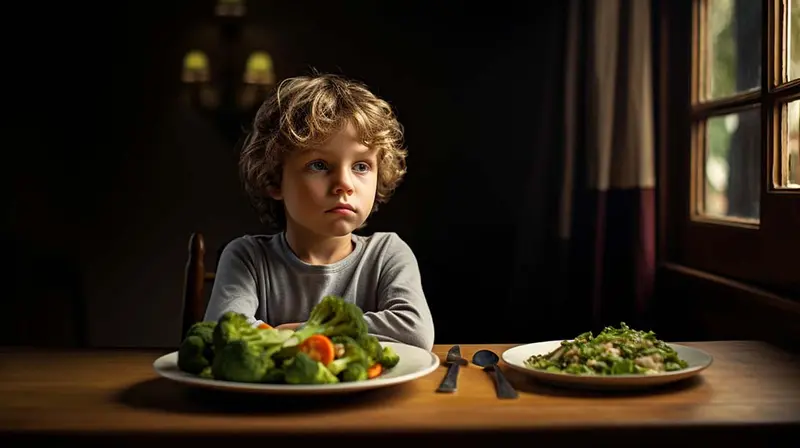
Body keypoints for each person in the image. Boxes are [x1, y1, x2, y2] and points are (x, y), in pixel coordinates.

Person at [203, 72, 435, 351]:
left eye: (361, 166)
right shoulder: (247, 258)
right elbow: (222, 331)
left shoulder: (387, 254)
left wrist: (300, 331)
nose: (344, 185)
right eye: (319, 165)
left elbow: (414, 330)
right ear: (275, 180)